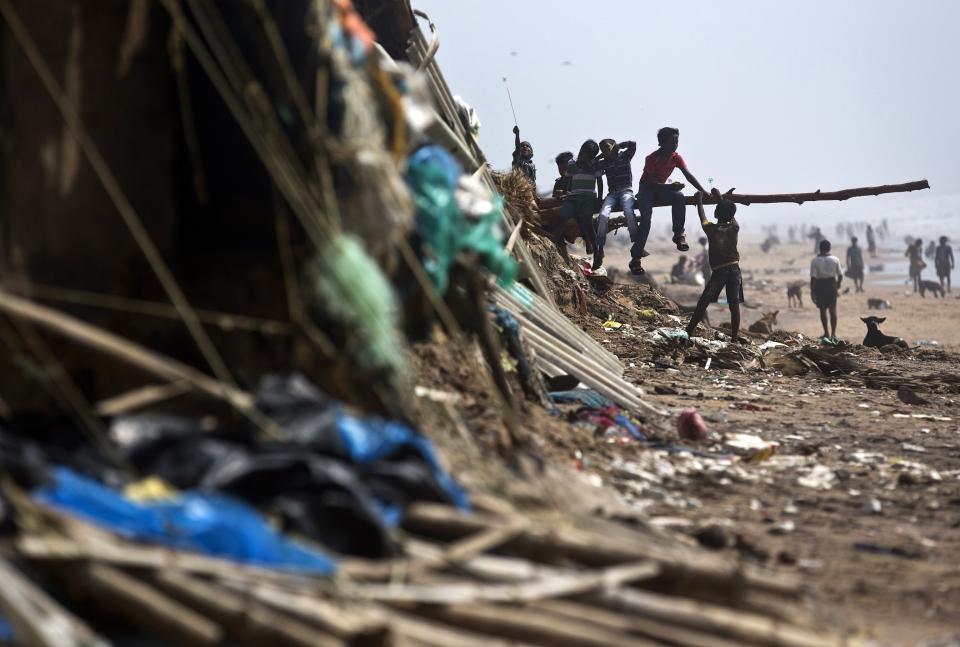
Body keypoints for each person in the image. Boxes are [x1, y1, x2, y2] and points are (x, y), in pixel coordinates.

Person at [633, 127, 709, 275]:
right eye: (671, 142)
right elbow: (650, 182)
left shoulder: (676, 158)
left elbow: (688, 175)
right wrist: (669, 186)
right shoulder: (651, 158)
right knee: (646, 219)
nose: (675, 145)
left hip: (661, 189)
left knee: (679, 196)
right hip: (647, 189)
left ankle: (679, 235)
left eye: (676, 142)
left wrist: (704, 191)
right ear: (661, 143)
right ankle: (636, 258)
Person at [686, 190, 742, 342]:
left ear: (716, 213)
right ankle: (734, 339)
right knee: (734, 305)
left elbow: (702, 215)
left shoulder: (711, 229)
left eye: (716, 210)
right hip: (735, 270)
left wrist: (699, 200)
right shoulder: (734, 228)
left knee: (703, 302)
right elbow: (730, 214)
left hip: (720, 272)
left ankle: (688, 332)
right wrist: (719, 197)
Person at [548, 139, 603, 256]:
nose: (563, 171)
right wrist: (560, 195)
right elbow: (556, 197)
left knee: (582, 217)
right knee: (560, 218)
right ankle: (553, 242)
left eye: (565, 168)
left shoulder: (580, 174)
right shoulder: (559, 182)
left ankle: (589, 243)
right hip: (566, 205)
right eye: (560, 169)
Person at [593, 139, 638, 272]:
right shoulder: (604, 163)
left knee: (628, 211)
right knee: (602, 215)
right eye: (603, 149)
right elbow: (594, 167)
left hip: (626, 190)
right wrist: (600, 156)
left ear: (613, 147)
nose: (605, 150)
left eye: (607, 147)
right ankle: (600, 249)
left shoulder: (624, 156)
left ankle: (637, 244)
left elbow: (633, 144)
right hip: (612, 193)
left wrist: (620, 145)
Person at [810, 239, 843, 341]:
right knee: (833, 310)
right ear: (829, 248)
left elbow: (813, 278)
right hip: (831, 284)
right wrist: (837, 286)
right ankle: (833, 334)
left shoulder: (815, 260)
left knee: (822, 310)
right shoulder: (835, 259)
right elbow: (840, 275)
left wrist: (812, 291)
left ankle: (826, 333)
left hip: (820, 285)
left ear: (820, 248)